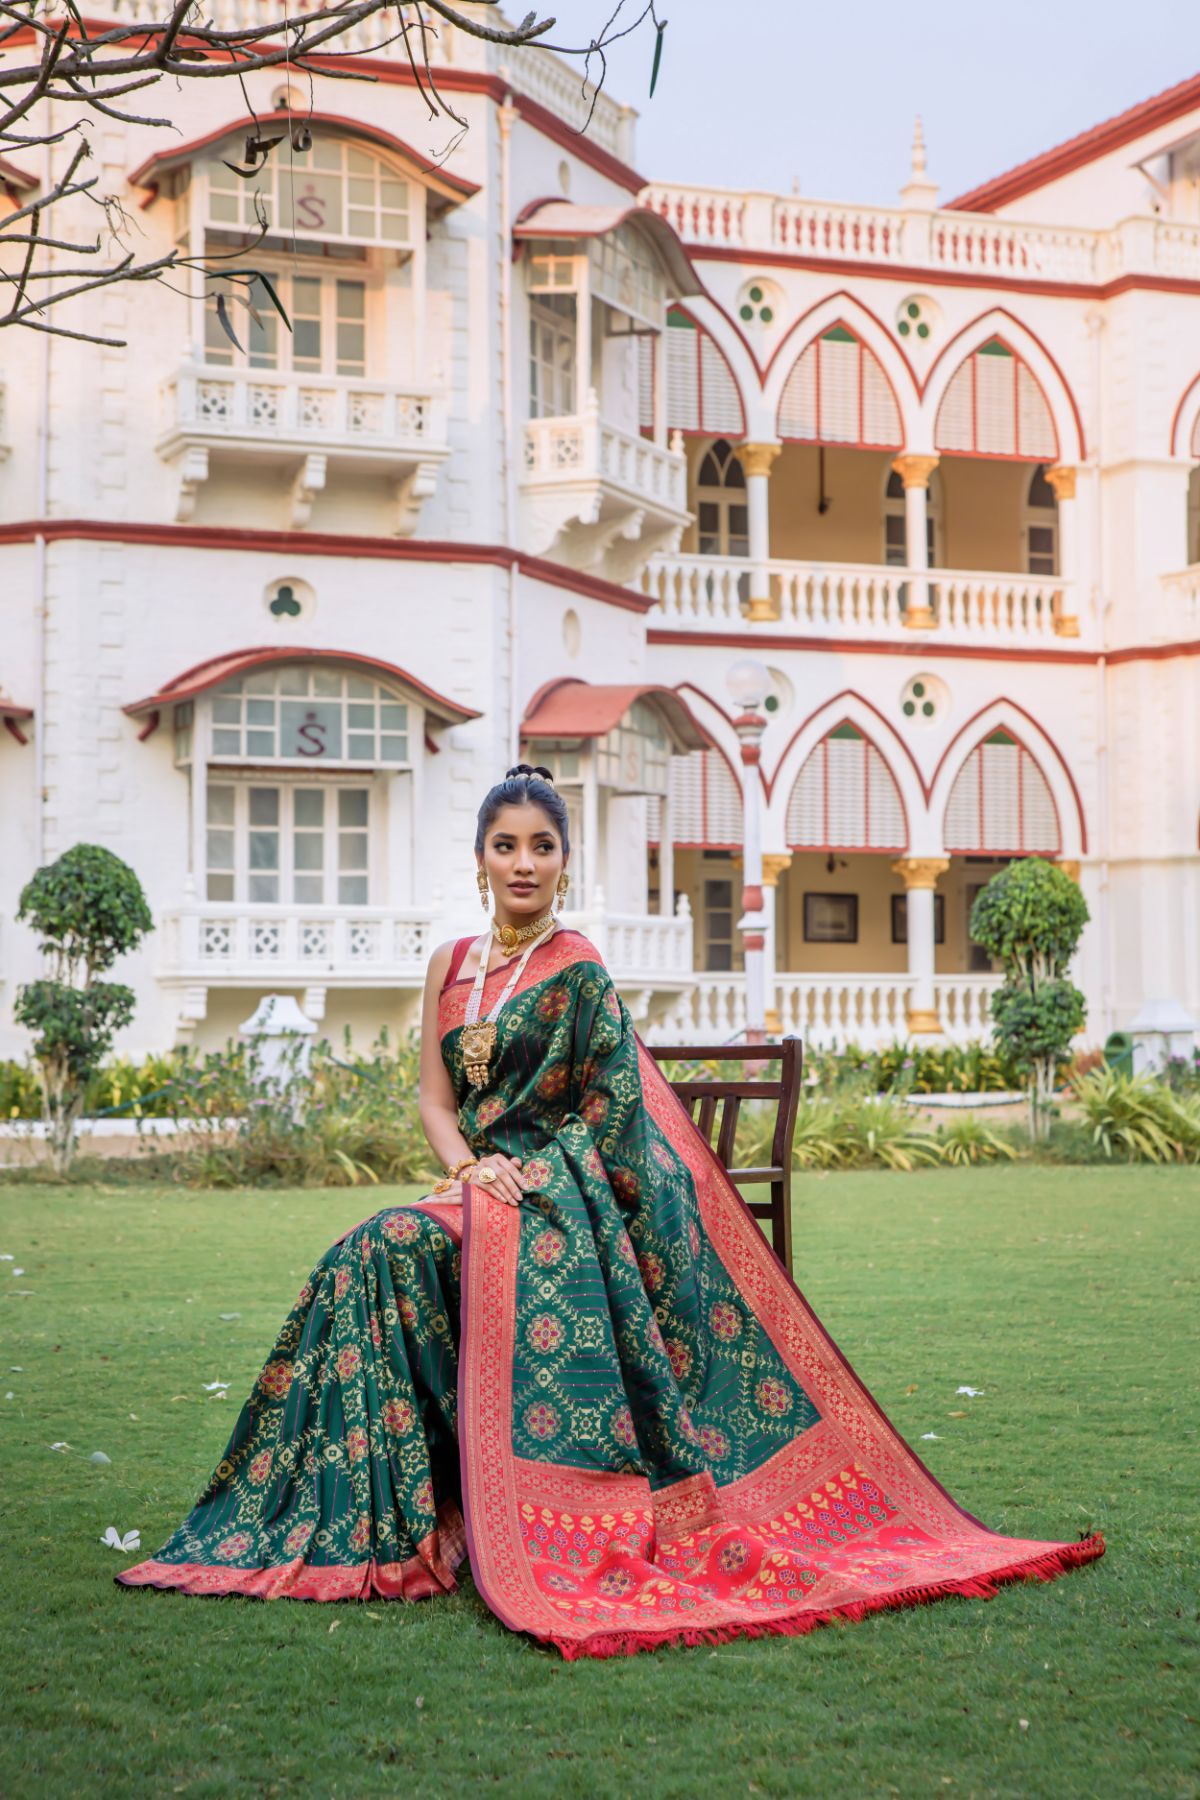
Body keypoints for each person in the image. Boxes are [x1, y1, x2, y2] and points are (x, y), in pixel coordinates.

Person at [117, 765, 1105, 1658]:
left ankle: (453, 1509)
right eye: (506, 844)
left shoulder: (579, 966)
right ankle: (386, 1518)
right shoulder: (452, 962)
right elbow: (430, 1095)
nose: (523, 861)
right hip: (479, 1189)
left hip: (559, 1202)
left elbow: (612, 1115)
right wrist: (468, 1170)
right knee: (368, 1251)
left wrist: (543, 1177)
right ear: (478, 858)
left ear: (563, 860)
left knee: (392, 1248)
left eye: (541, 845)